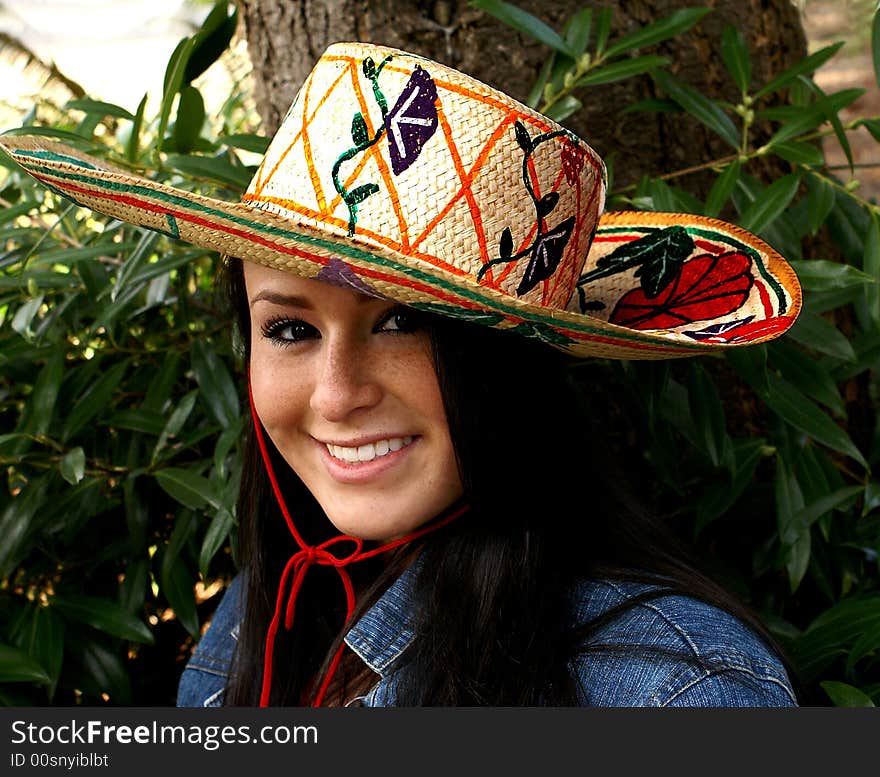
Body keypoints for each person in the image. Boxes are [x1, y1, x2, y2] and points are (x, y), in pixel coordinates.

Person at [1, 41, 802, 707]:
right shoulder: (257, 611)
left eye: (403, 322)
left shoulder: (674, 690)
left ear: (508, 367)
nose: (337, 392)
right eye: (289, 328)